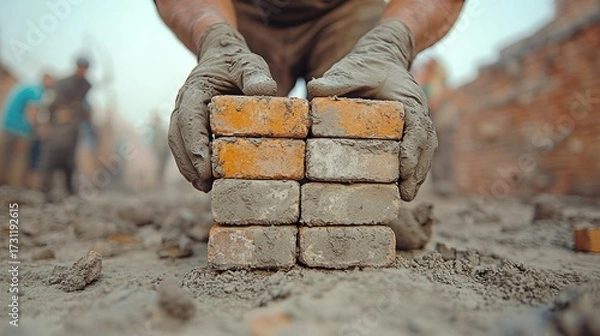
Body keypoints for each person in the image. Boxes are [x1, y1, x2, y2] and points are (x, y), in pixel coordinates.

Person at [155, 0, 464, 201]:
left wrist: (393, 41)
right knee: (242, 169)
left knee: (363, 171)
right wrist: (213, 36)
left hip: (347, 11)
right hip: (239, 11)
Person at [40, 56, 92, 199]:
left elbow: (83, 108)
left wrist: (77, 112)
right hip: (59, 127)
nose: (83, 71)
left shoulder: (86, 85)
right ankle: (46, 189)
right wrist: (54, 118)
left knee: (69, 159)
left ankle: (69, 189)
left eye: (85, 68)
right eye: (81, 67)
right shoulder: (62, 83)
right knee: (52, 156)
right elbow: (50, 105)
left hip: (73, 127)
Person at [0, 73, 54, 186]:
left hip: (7, 125)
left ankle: (5, 185)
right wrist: (38, 131)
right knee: (19, 160)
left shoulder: (30, 87)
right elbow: (32, 115)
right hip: (19, 129)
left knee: (5, 158)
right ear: (46, 79)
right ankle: (14, 188)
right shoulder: (36, 91)